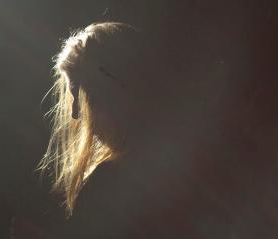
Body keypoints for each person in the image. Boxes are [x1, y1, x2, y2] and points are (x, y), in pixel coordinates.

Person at [38, 22, 232, 238]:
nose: (75, 114)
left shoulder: (109, 186)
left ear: (110, 94)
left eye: (81, 96)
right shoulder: (200, 165)